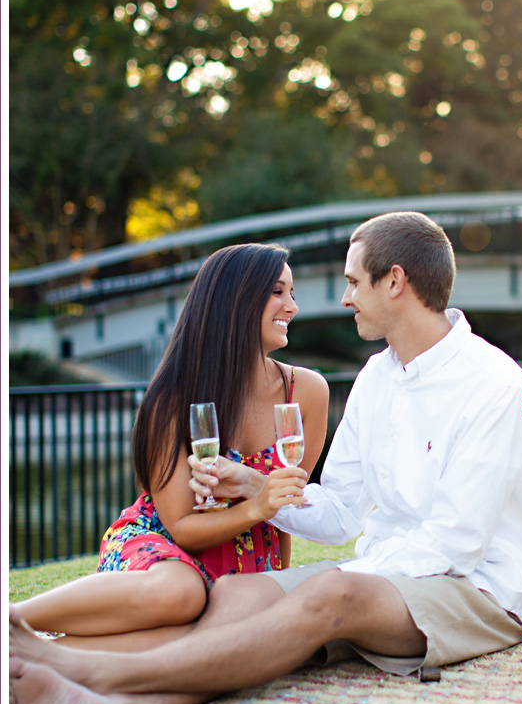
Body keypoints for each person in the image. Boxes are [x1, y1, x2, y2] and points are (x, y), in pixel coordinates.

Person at [9, 211, 522, 704]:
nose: (343, 299)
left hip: (480, 589)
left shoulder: (496, 385)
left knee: (332, 590)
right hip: (396, 570)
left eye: (352, 281)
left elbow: (455, 543)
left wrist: (353, 576)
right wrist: (252, 487)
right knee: (240, 593)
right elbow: (341, 510)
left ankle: (94, 672)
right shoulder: (377, 377)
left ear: (394, 282)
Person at [13, 243, 328, 651]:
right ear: (236, 300)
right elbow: (181, 527)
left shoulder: (306, 392)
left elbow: (286, 512)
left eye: (293, 293)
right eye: (277, 292)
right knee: (183, 594)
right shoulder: (173, 399)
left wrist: (279, 578)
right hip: (163, 551)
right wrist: (256, 506)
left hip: (246, 566)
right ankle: (15, 617)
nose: (292, 307)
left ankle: (28, 657)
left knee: (190, 645)